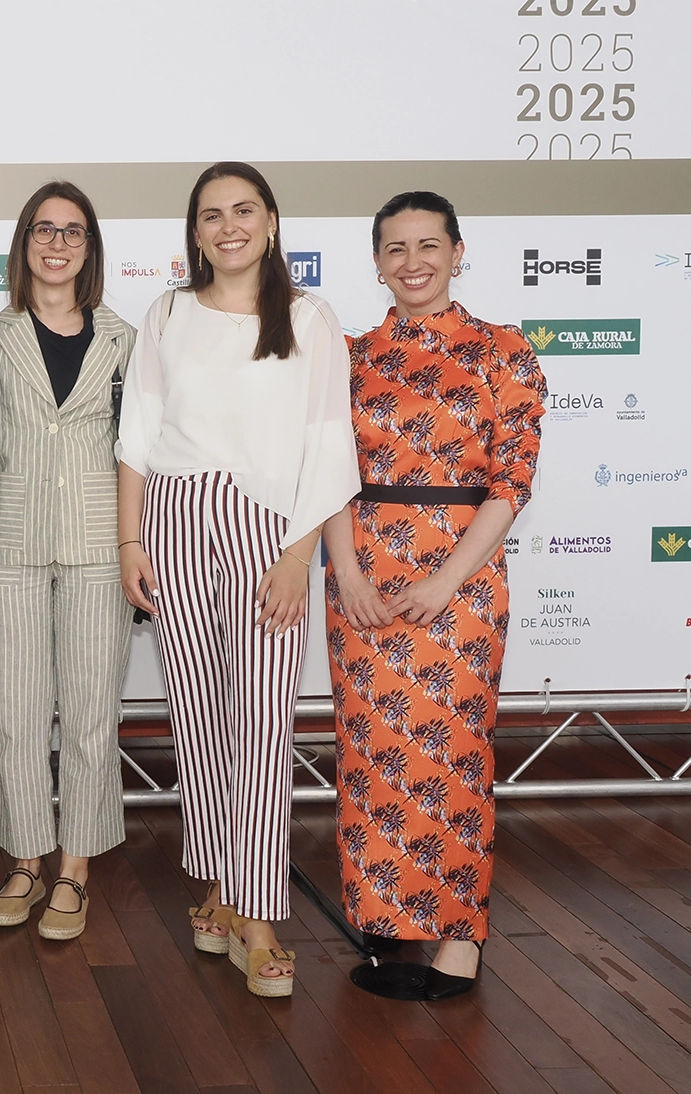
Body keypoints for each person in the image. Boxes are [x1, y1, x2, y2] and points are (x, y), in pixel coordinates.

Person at [116, 162, 359, 997]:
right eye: (211, 214)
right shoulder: (167, 313)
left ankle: (257, 915)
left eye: (243, 210)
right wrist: (128, 540)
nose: (228, 226)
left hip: (269, 531)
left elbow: (330, 443)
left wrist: (299, 555)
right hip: (175, 520)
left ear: (271, 221)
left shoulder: (310, 318)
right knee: (198, 719)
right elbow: (138, 432)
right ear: (194, 233)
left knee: (261, 721)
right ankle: (219, 885)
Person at [325, 191, 545, 999]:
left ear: (458, 251)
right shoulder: (346, 356)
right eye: (395, 248)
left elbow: (512, 480)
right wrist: (348, 575)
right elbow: (324, 475)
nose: (413, 261)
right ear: (376, 264)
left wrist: (446, 580)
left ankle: (458, 935)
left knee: (453, 756)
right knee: (372, 754)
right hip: (362, 578)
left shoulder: (503, 352)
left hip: (463, 580)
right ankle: (386, 922)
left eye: (429, 244)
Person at [0, 181, 135, 941]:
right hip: (6, 545)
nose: (58, 243)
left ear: (90, 248)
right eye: (45, 229)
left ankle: (76, 868)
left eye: (73, 231)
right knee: (18, 714)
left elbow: (141, 458)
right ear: (24, 243)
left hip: (101, 545)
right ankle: (27, 858)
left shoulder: (125, 341)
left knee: (94, 714)